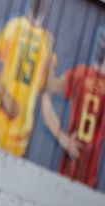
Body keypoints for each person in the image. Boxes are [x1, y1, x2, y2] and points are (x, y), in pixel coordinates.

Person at [0, 0, 55, 156]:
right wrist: (5, 95)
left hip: (20, 136)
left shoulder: (46, 40)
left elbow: (44, 91)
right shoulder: (15, 27)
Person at [40, 30, 105, 188]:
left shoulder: (80, 74)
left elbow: (47, 87)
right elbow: (48, 89)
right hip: (84, 176)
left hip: (72, 171)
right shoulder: (80, 74)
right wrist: (62, 138)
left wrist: (47, 52)